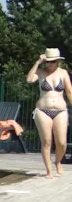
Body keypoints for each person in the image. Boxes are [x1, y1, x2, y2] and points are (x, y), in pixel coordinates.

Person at [26, 48, 72, 178]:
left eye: (53, 61)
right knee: (46, 141)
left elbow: (69, 92)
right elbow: (29, 79)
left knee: (61, 142)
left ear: (58, 62)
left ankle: (57, 162)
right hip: (42, 111)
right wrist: (37, 62)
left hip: (60, 110)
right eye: (48, 61)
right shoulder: (40, 72)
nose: (50, 64)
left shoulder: (63, 73)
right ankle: (49, 170)